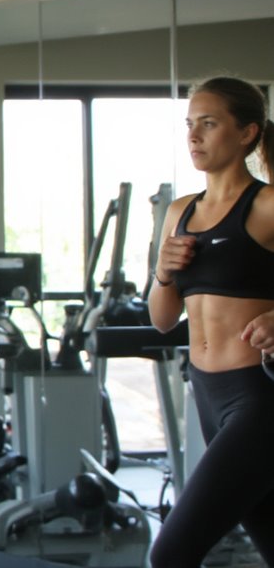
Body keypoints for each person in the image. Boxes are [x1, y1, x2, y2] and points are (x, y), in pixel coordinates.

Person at [148, 75, 274, 567]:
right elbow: (162, 320)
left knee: (172, 554)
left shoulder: (266, 205)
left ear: (246, 133)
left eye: (208, 123)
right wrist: (163, 272)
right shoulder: (179, 212)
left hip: (259, 398)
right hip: (207, 396)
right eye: (189, 125)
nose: (193, 136)